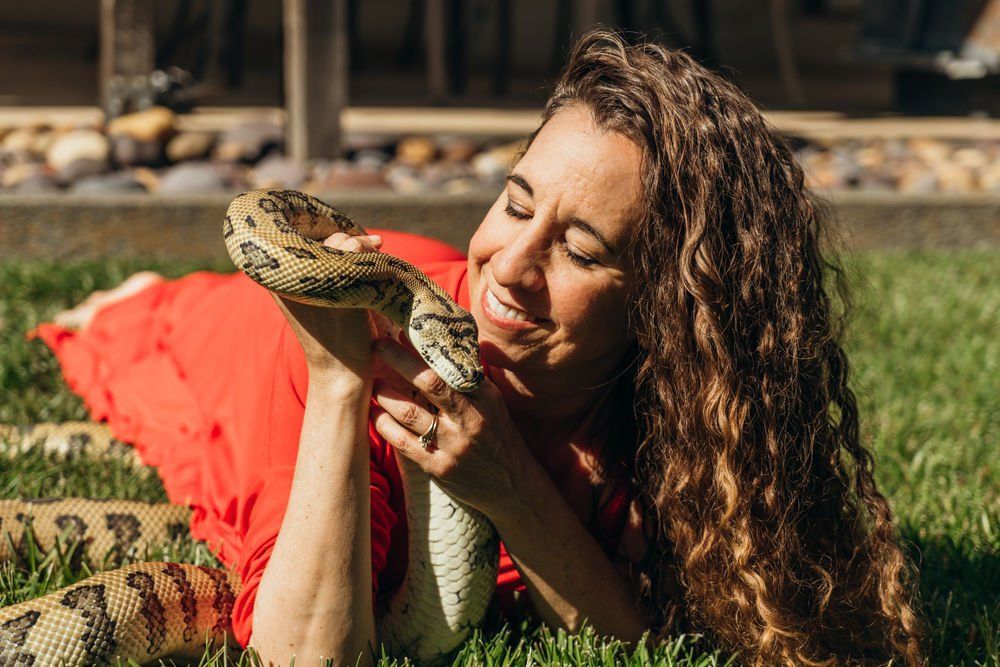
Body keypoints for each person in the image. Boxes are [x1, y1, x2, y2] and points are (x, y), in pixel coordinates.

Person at [38, 29, 923, 666]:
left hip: (417, 294)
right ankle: (136, 298)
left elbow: (643, 639)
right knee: (146, 327)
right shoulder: (350, 334)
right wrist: (339, 381)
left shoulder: (684, 414)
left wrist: (506, 481)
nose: (511, 264)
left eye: (582, 252)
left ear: (667, 308)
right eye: (515, 201)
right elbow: (303, 653)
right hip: (249, 330)